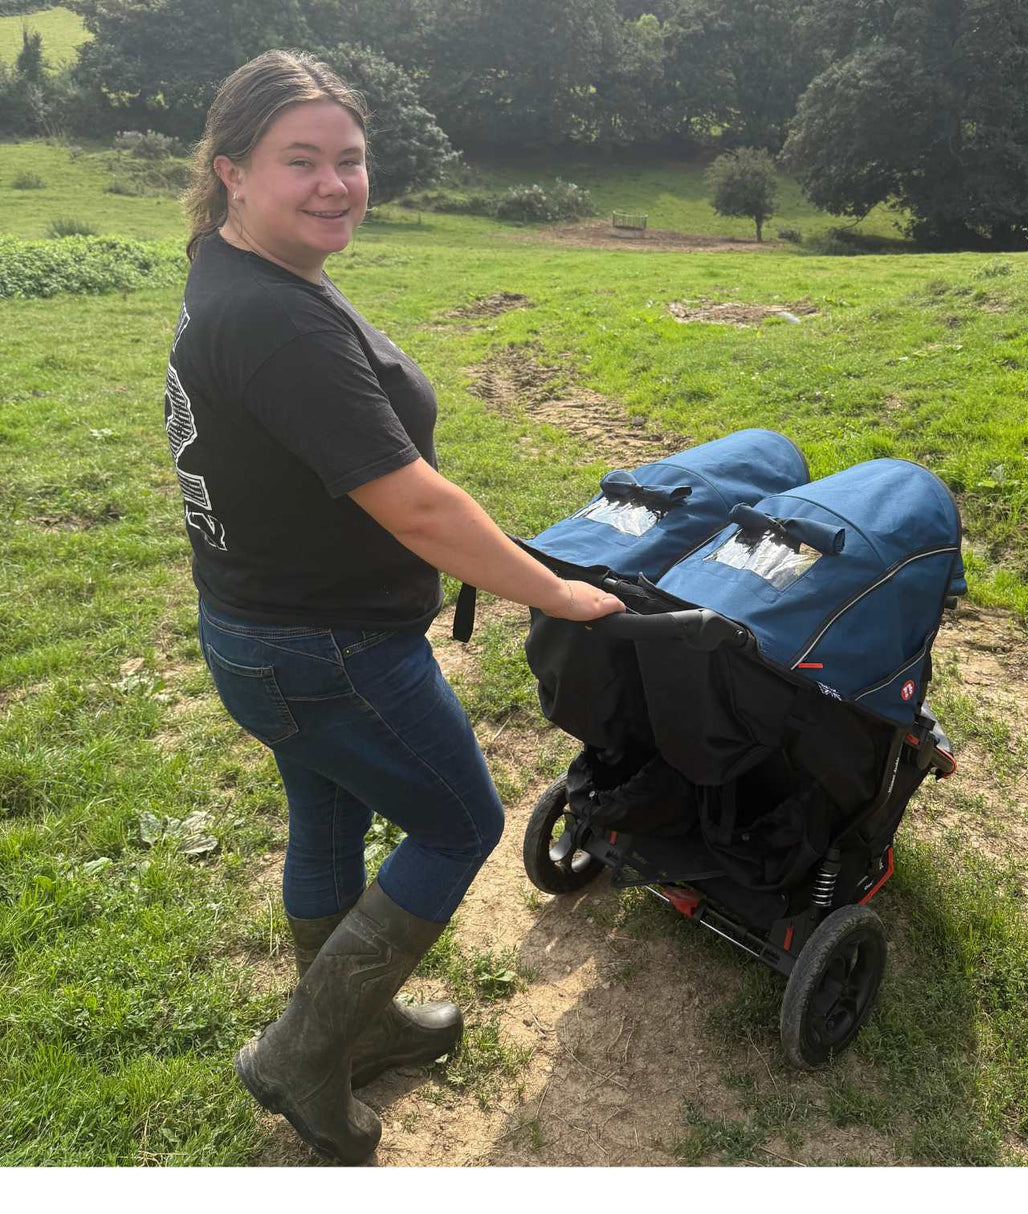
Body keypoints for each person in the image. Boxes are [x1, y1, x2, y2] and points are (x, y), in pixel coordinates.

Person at [167, 48, 623, 1165]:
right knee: (459, 820)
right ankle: (301, 1052)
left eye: (350, 160)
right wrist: (558, 589)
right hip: (325, 646)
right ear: (232, 170)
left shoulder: (239, 272)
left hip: (260, 635)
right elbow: (417, 508)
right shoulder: (277, 318)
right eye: (301, 162)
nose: (335, 184)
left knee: (325, 817)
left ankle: (352, 1029)